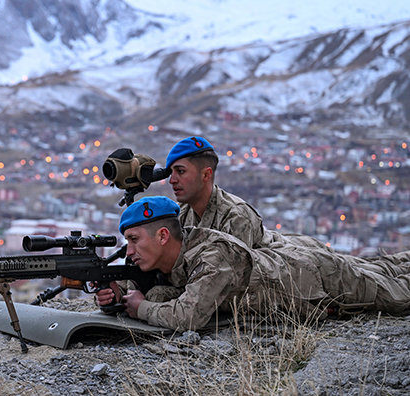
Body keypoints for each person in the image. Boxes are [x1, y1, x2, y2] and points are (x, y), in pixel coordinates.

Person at [96, 196, 410, 331]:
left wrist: (141, 308)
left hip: (319, 281)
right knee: (386, 266)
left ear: (163, 236)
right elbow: (152, 282)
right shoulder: (174, 254)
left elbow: (188, 316)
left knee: (399, 296)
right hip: (304, 265)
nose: (129, 249)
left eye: (135, 239)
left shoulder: (212, 254)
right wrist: (117, 290)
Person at [163, 136, 322, 249]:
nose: (172, 180)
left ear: (206, 174)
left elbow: (229, 283)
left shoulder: (236, 217)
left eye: (181, 172)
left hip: (302, 260)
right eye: (171, 173)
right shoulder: (182, 213)